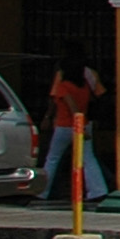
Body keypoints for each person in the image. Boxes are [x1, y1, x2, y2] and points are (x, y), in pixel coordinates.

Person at [40, 47, 108, 207]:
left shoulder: (64, 86)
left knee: (52, 158)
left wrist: (49, 118)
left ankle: (42, 192)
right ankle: (98, 191)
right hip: (84, 125)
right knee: (88, 159)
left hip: (65, 126)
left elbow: (71, 107)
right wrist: (84, 126)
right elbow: (93, 101)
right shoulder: (84, 86)